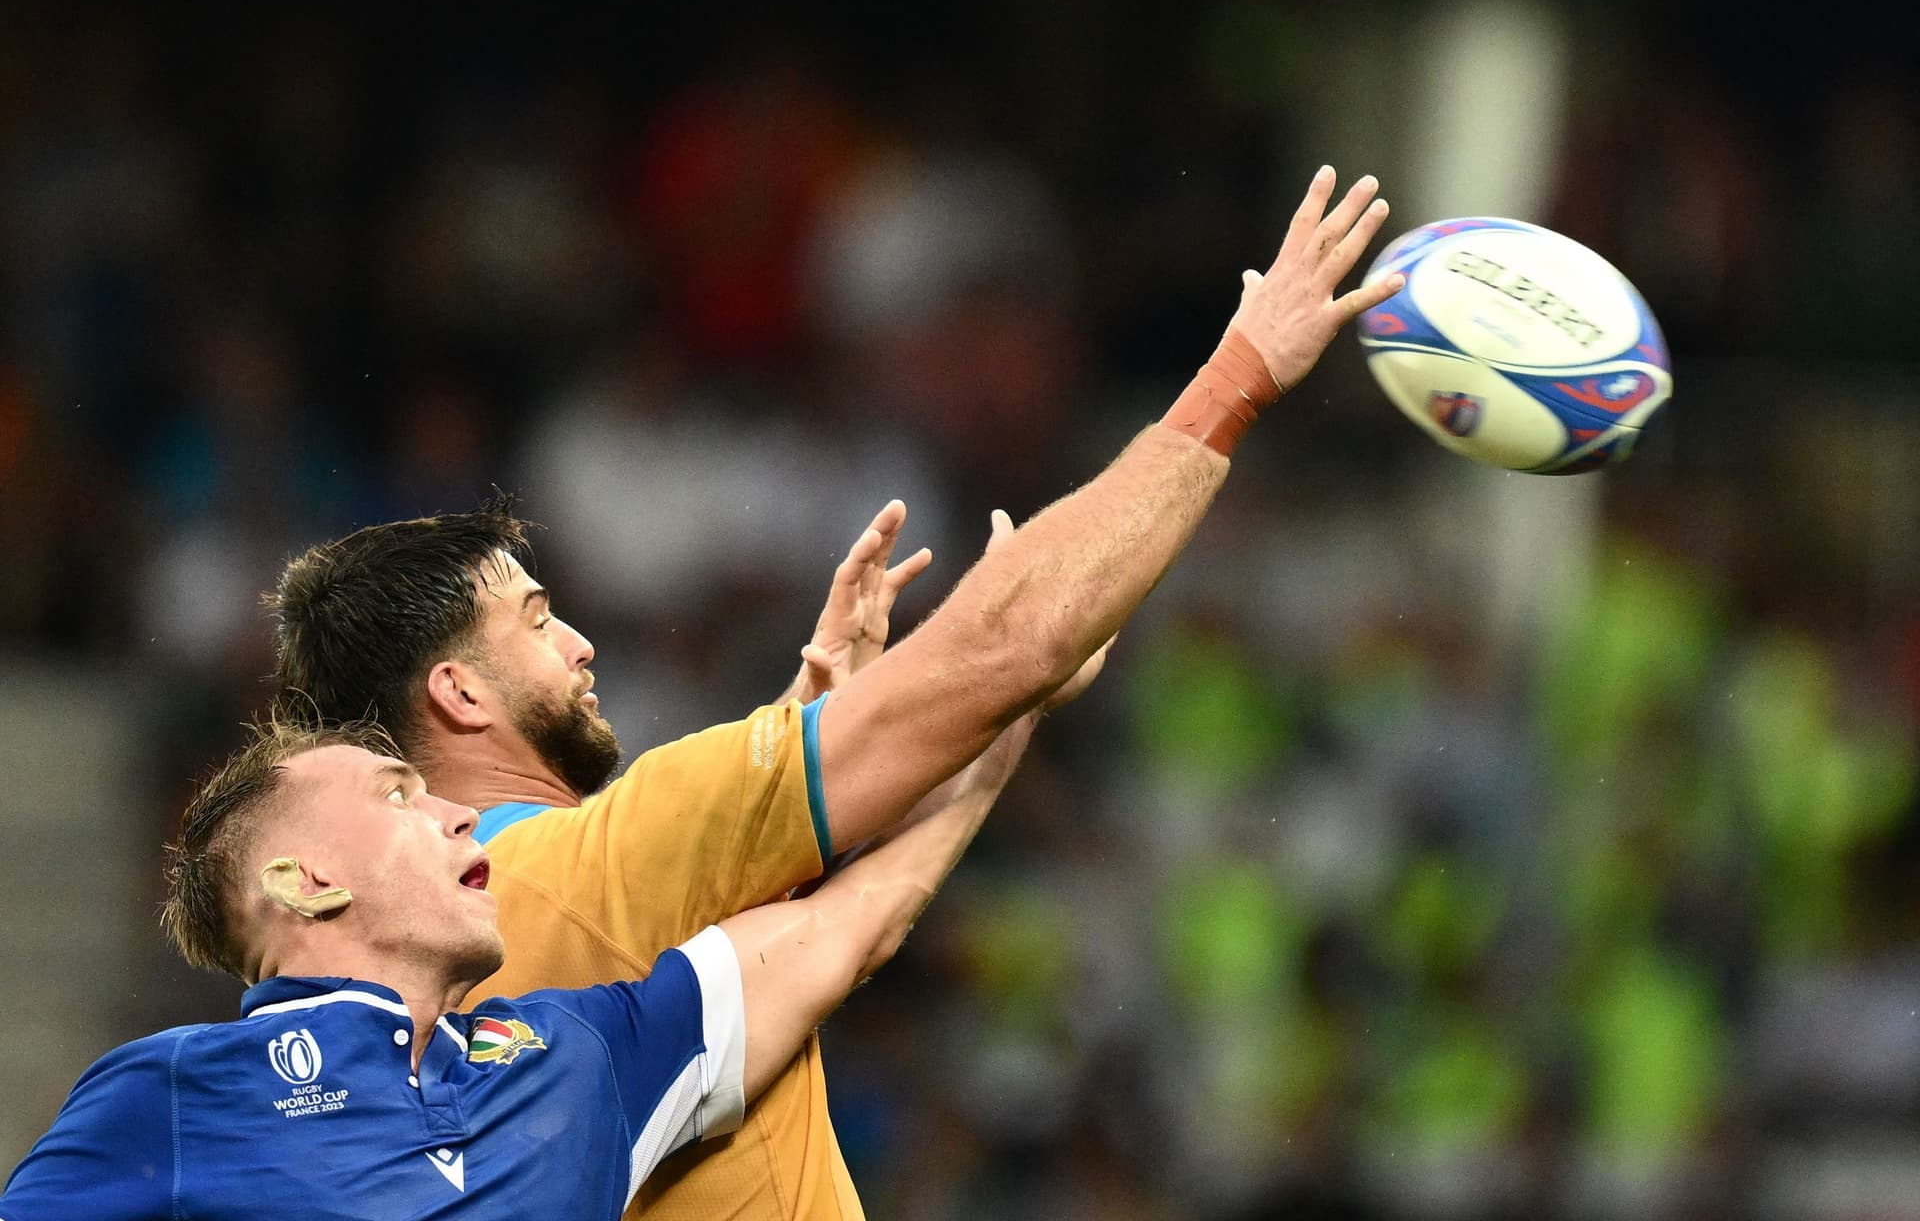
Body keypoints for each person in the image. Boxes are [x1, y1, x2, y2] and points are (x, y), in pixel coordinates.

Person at [266, 165, 1400, 1220]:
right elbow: (1010, 639)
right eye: (535, 621)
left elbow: (854, 925)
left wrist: (953, 727)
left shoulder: (410, 957)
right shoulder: (582, 866)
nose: (581, 641)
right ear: (458, 693)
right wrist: (1242, 371)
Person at [0, 703, 1050, 1218]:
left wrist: (1000, 738)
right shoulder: (177, 1089)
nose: (463, 813)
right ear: (306, 880)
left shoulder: (572, 1056)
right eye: (399, 795)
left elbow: (836, 930)